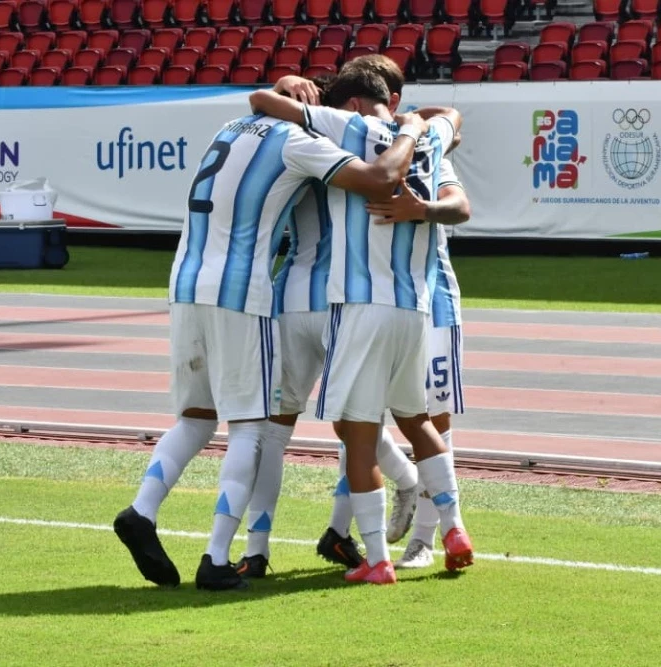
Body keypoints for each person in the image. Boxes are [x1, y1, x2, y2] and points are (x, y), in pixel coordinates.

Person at [112, 100, 429, 591]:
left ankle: (142, 511)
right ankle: (217, 557)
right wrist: (409, 130)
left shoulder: (232, 127)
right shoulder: (299, 141)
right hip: (242, 293)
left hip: (184, 282)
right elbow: (380, 178)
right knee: (252, 428)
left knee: (196, 417)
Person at [250, 68, 473, 585]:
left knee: (351, 427)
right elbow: (452, 122)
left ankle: (373, 555)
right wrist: (418, 126)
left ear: (349, 103)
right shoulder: (428, 140)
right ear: (389, 100)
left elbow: (262, 103)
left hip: (346, 301)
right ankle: (451, 526)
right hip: (414, 303)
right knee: (417, 418)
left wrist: (287, 86)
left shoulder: (338, 130)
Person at [232, 75, 423, 578]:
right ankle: (387, 496)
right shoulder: (366, 137)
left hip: (295, 291)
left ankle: (258, 550)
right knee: (357, 422)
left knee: (275, 431)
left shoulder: (292, 138)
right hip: (347, 296)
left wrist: (284, 84)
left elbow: (259, 104)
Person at [344, 54, 471, 568]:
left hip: (432, 298)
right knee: (356, 420)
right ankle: (398, 493)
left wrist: (422, 209)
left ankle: (425, 539)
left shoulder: (422, 147)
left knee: (432, 421)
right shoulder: (348, 146)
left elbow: (460, 207)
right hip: (370, 300)